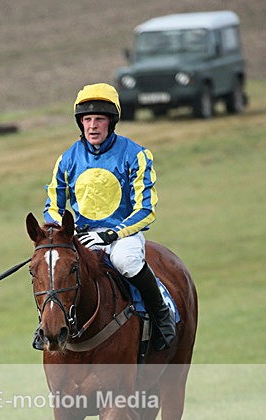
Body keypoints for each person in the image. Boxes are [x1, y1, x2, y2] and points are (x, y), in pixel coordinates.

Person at [41, 83, 175, 351]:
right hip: (81, 237)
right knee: (53, 266)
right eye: (87, 119)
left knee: (125, 262)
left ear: (111, 122)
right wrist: (66, 233)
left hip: (122, 235)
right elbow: (52, 207)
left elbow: (146, 209)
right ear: (80, 123)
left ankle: (162, 316)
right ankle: (47, 326)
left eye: (99, 119)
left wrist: (114, 232)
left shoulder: (135, 154)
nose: (92, 126)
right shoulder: (67, 159)